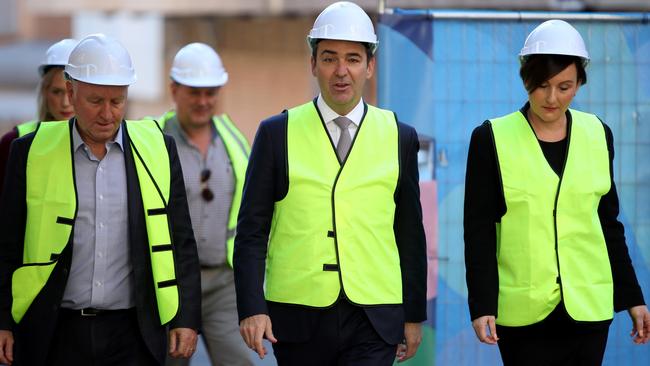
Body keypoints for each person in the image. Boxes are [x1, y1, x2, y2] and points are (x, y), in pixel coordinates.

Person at [233, 2, 427, 365]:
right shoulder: (277, 134)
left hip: (375, 315)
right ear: (313, 64)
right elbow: (252, 230)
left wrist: (413, 314)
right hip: (297, 315)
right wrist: (251, 307)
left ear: (370, 66)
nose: (341, 72)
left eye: (353, 59)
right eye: (329, 58)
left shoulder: (400, 136)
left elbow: (410, 232)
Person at [0, 33, 202, 366]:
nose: (107, 114)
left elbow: (181, 240)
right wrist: (3, 321)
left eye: (117, 101)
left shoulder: (158, 149)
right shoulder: (29, 151)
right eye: (95, 101)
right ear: (70, 92)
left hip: (133, 332)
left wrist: (186, 317)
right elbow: (7, 244)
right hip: (54, 331)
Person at [464, 19, 650, 365]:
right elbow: (478, 231)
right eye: (542, 85)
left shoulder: (598, 134)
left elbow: (608, 223)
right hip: (523, 312)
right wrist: (482, 305)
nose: (552, 98)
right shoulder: (491, 138)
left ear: (580, 82)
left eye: (565, 87)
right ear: (525, 79)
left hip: (589, 309)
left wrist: (632, 298)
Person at [160, 42, 254, 366]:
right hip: (169, 284)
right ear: (174, 89)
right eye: (194, 92)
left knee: (238, 361)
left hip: (222, 281)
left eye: (211, 92)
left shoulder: (233, 139)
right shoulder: (154, 140)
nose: (204, 101)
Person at [0, 38, 77, 195]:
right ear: (44, 92)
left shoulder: (104, 146)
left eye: (72, 92)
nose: (65, 102)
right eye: (57, 92)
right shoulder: (13, 141)